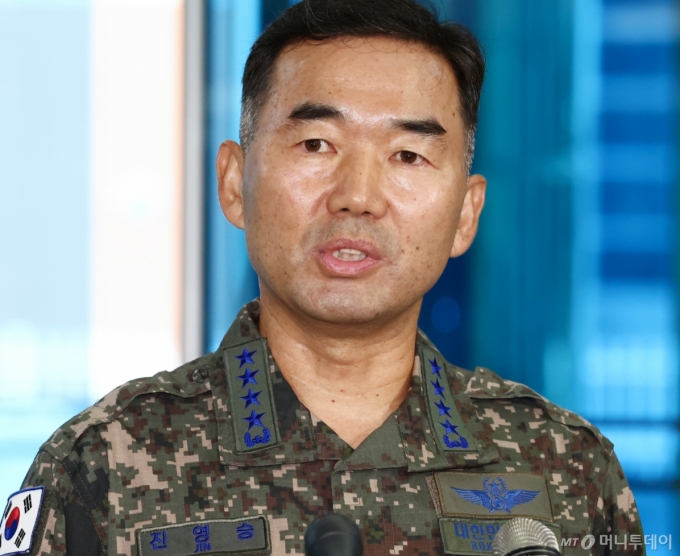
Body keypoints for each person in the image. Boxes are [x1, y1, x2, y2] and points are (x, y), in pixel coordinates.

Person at [3, 1, 642, 555]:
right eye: (316, 145)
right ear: (235, 183)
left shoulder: (565, 468)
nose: (357, 196)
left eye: (408, 155)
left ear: (465, 214)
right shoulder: (102, 464)